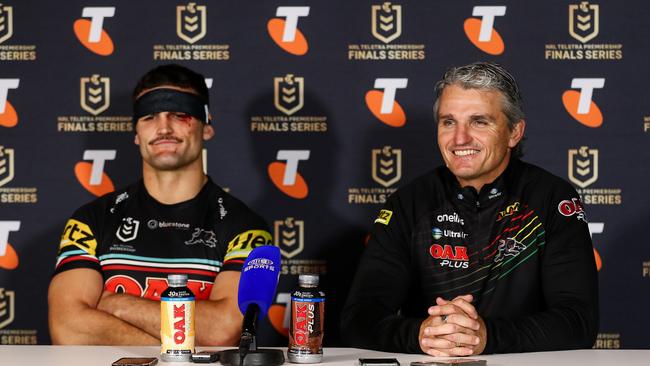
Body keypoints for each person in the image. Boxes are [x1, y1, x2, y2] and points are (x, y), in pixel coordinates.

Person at [340, 62, 598, 355]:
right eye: (448, 122)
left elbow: (579, 322)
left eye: (479, 121)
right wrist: (421, 335)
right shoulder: (409, 202)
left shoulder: (552, 198)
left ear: (514, 132)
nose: (460, 138)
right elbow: (358, 319)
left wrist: (486, 336)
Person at [48, 64, 272, 345]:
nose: (164, 128)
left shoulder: (245, 227)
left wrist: (118, 304)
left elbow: (222, 331)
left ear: (207, 127)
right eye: (149, 116)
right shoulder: (92, 220)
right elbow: (68, 329)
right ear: (136, 133)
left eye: (180, 115)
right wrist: (176, 352)